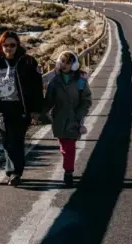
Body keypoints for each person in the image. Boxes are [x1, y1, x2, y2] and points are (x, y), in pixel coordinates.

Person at [0, 31, 44, 186]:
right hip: (1, 109)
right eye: (6, 45)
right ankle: (13, 172)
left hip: (21, 109)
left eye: (12, 45)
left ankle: (15, 173)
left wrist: (36, 110)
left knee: (17, 140)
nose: (9, 48)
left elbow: (37, 88)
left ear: (17, 45)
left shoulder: (27, 62)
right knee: (7, 141)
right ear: (1, 46)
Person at [43, 51, 92, 187]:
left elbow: (86, 100)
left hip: (73, 119)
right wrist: (40, 113)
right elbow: (49, 100)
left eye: (68, 62)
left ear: (74, 65)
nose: (65, 65)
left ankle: (68, 172)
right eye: (62, 61)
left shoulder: (80, 81)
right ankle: (68, 167)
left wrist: (79, 115)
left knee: (69, 147)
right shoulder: (55, 81)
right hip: (58, 118)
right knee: (63, 146)